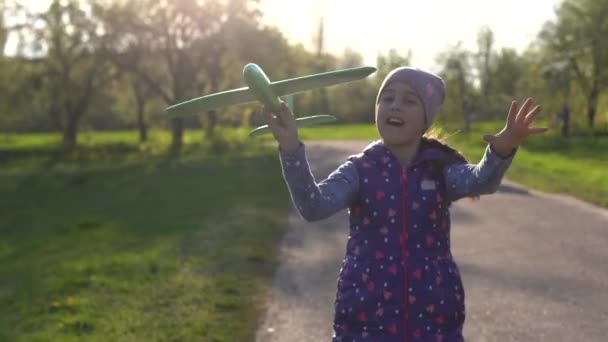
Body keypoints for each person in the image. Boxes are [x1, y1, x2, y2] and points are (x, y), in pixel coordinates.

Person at [262, 67, 547, 341]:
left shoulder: (438, 170)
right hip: (366, 319)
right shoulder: (359, 171)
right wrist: (290, 148)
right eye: (387, 98)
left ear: (425, 120)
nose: (395, 106)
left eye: (409, 100)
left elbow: (481, 181)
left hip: (433, 318)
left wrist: (502, 148)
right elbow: (314, 206)